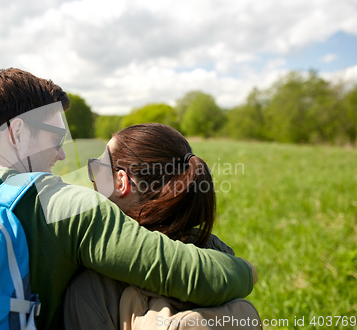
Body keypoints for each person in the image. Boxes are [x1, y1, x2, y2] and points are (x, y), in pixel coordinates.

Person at [0, 68, 255, 330]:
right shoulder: (69, 209)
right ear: (16, 133)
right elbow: (196, 276)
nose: (62, 156)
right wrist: (248, 272)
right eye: (54, 138)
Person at [63, 123, 259, 330]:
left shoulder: (91, 284)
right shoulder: (215, 253)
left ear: (121, 182)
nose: (92, 180)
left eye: (98, 167)